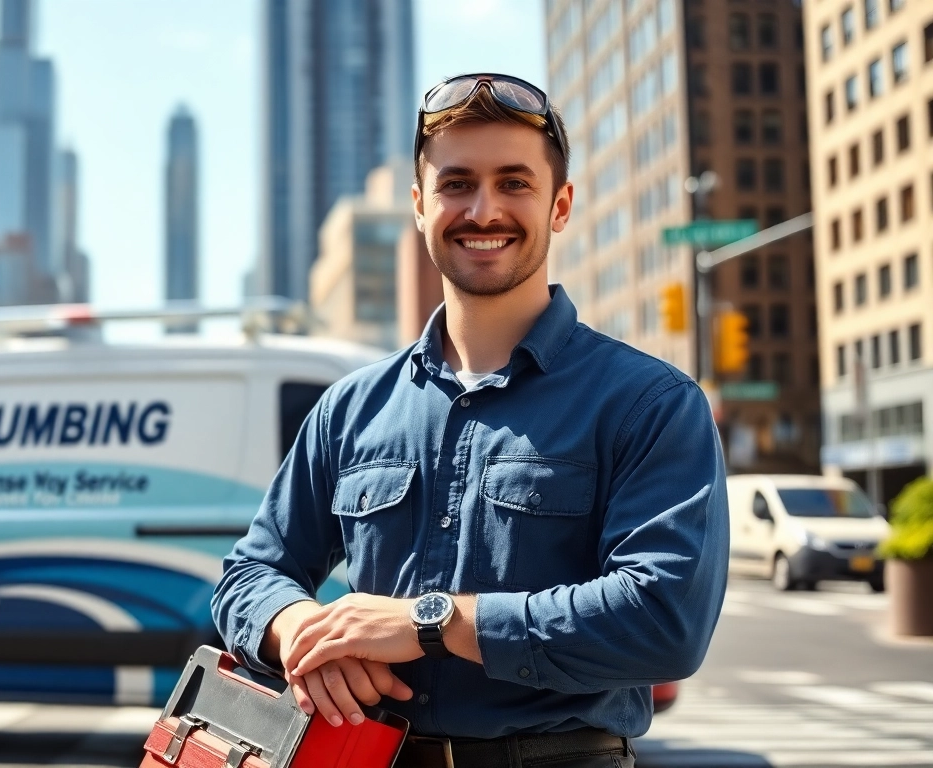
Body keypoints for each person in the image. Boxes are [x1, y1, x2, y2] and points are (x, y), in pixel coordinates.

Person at [211, 73, 730, 768]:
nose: (483, 210)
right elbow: (250, 573)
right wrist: (301, 631)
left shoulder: (650, 403)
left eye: (514, 183)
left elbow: (665, 620)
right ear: (421, 206)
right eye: (456, 185)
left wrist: (435, 622)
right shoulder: (351, 407)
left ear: (560, 205)